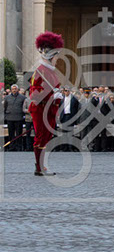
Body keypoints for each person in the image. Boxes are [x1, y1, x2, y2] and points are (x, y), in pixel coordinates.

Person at [28, 31, 65, 175]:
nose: (57, 59)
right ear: (50, 56)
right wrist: (52, 95)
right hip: (41, 110)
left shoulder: (50, 71)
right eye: (56, 56)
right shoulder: (40, 71)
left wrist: (57, 95)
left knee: (46, 138)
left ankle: (41, 166)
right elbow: (34, 94)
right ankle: (39, 167)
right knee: (41, 138)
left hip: (49, 110)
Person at [3, 84, 26, 151]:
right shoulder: (7, 97)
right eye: (13, 89)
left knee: (19, 133)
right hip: (9, 117)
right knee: (11, 133)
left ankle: (19, 147)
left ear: (17, 90)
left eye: (15, 89)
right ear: (11, 90)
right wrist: (5, 115)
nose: (14, 90)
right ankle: (11, 147)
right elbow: (5, 106)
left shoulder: (22, 97)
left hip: (19, 117)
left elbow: (23, 107)